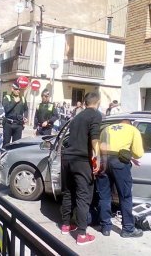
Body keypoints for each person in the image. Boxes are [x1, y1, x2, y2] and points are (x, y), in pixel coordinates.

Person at [60, 92, 102, 245]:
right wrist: (97, 158)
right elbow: (95, 138)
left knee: (68, 192)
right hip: (81, 160)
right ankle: (82, 235)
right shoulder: (95, 115)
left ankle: (65, 225)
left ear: (84, 103)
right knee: (83, 196)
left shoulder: (77, 116)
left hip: (67, 158)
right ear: (98, 102)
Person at [96, 119, 144, 238]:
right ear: (129, 124)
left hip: (103, 162)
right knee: (125, 196)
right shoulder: (133, 130)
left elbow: (99, 146)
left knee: (104, 195)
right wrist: (129, 155)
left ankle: (105, 227)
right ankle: (128, 229)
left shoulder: (106, 129)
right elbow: (138, 153)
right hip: (120, 164)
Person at [2, 80, 28, 147]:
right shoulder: (7, 97)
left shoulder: (22, 98)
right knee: (6, 144)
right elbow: (6, 109)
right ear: (12, 89)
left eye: (19, 90)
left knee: (16, 145)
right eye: (16, 89)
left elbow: (26, 109)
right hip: (8, 124)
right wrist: (14, 102)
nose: (18, 91)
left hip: (18, 125)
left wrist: (25, 117)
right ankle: (3, 157)